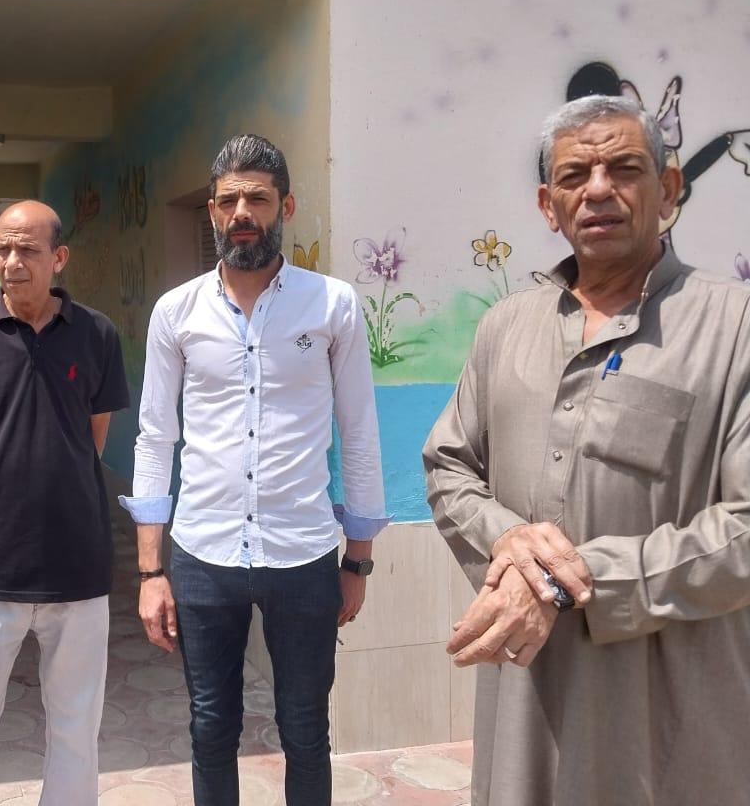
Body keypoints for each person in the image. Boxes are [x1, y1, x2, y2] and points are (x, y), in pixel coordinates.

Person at [424, 94, 750, 805]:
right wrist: (507, 540)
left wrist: (571, 582)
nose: (598, 189)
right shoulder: (507, 325)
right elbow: (449, 465)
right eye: (574, 175)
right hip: (525, 706)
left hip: (668, 724)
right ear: (550, 205)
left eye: (624, 168)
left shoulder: (735, 325)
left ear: (669, 189)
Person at [124, 134, 388, 806]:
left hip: (303, 555)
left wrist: (357, 560)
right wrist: (152, 572)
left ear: (285, 207)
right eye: (230, 200)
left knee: (306, 730)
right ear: (213, 210)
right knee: (211, 728)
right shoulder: (176, 312)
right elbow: (155, 437)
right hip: (203, 553)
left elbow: (359, 430)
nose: (243, 212)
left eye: (258, 199)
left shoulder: (332, 305)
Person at [0, 200, 129, 806]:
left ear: (59, 258)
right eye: (2, 249)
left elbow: (92, 439)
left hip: (76, 568)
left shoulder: (97, 334)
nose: (12, 261)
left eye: (27, 250)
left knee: (77, 731)